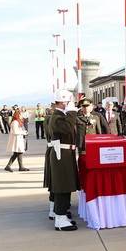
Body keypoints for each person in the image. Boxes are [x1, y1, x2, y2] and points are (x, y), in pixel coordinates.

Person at [48, 90, 80, 231]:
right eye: (68, 102)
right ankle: (60, 219)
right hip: (61, 153)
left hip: (65, 153)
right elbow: (67, 129)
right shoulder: (57, 116)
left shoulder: (60, 115)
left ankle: (61, 215)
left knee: (65, 184)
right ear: (63, 102)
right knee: (62, 185)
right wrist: (72, 113)